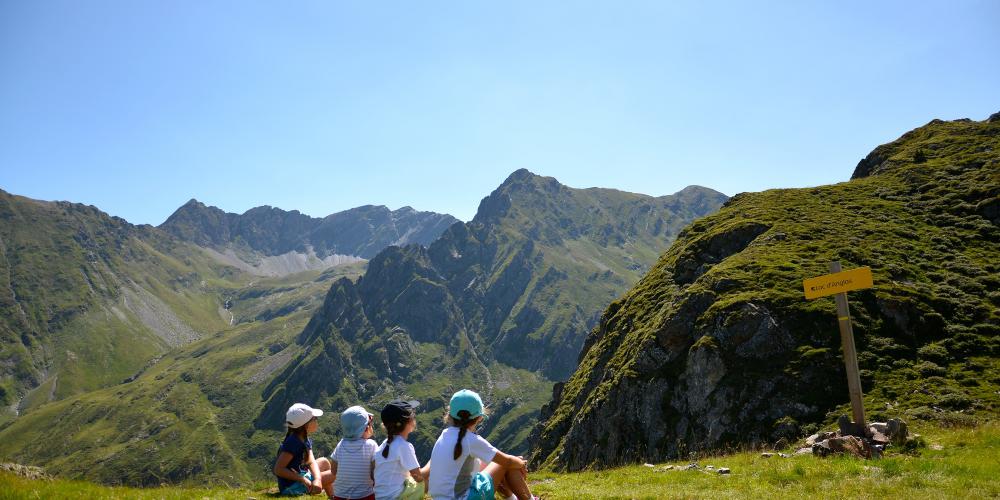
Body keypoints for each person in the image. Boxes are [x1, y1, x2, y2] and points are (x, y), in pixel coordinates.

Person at [428, 390, 536, 500]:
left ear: (450, 415)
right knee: (505, 464)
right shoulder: (472, 440)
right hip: (466, 498)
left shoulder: (444, 435)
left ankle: (512, 498)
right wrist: (520, 463)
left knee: (495, 462)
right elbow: (506, 461)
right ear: (479, 417)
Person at [273, 403, 335, 496]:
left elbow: (311, 461)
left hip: (300, 478)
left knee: (324, 461)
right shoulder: (293, 442)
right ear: (305, 424)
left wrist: (317, 479)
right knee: (337, 474)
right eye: (315, 419)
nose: (317, 421)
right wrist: (303, 480)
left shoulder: (303, 438)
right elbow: (278, 469)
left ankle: (332, 497)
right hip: (292, 487)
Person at [373, 400, 429, 500]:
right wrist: (433, 462)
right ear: (408, 421)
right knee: (427, 479)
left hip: (380, 497)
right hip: (396, 497)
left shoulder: (384, 445)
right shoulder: (404, 446)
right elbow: (418, 477)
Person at [330, 405, 379, 500]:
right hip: (365, 496)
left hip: (339, 496)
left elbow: (333, 471)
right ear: (366, 428)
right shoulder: (371, 445)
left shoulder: (340, 445)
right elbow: (375, 475)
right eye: (370, 423)